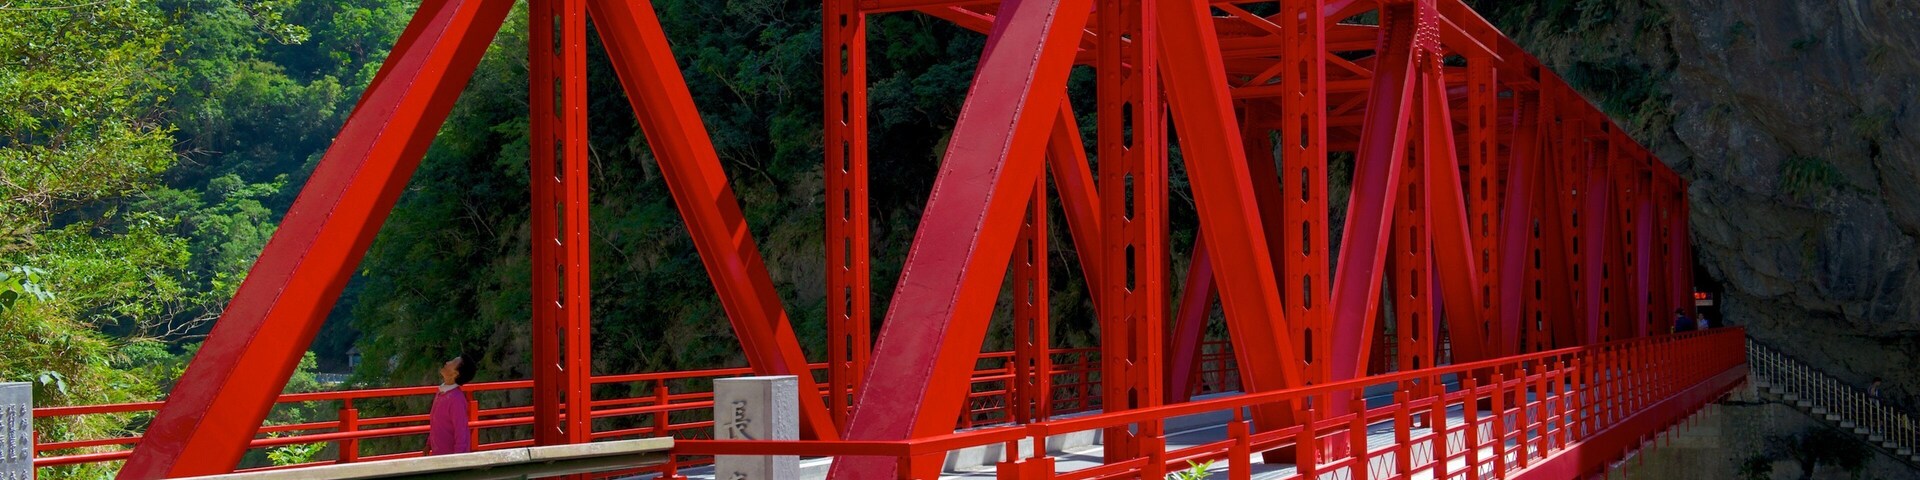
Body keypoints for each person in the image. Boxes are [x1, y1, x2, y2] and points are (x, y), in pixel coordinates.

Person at [427, 354, 477, 455]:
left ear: (455, 374)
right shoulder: (442, 392)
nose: (447, 362)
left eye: (452, 362)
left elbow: (461, 432)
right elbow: (437, 424)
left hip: (448, 457)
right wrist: (428, 444)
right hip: (439, 455)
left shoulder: (456, 399)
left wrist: (457, 461)